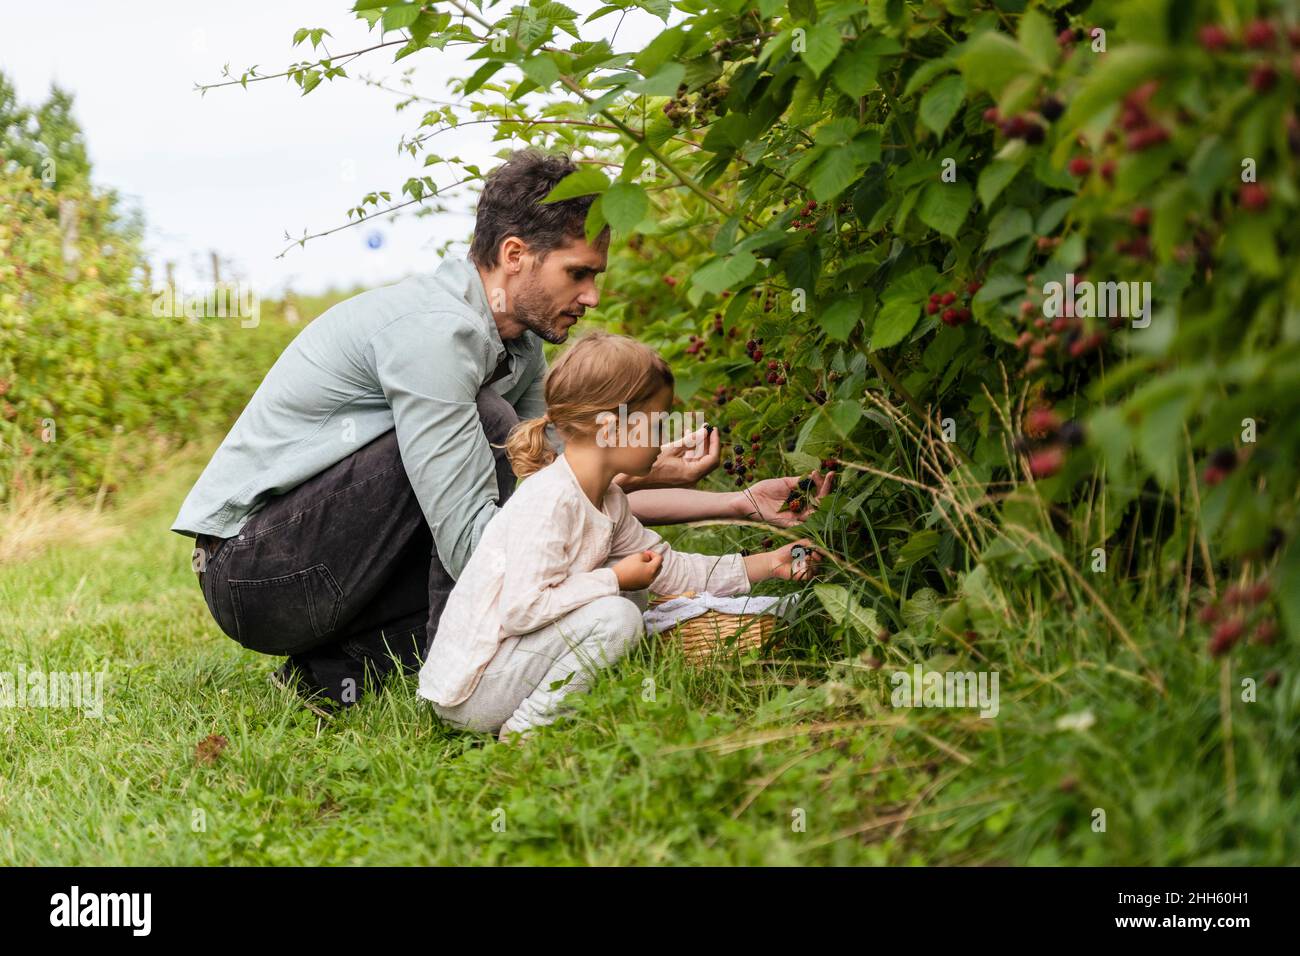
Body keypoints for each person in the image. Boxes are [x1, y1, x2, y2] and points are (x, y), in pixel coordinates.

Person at [172, 148, 833, 712]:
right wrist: (621, 583)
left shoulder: (516, 349)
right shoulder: (436, 337)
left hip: (323, 571)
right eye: (579, 273)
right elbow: (483, 550)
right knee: (490, 438)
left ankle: (333, 674)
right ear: (515, 254)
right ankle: (459, 677)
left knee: (503, 456)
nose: (593, 296)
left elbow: (559, 493)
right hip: (253, 574)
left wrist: (734, 502)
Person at [419, 332, 821, 741]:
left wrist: (771, 563)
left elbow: (670, 569)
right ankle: (527, 733)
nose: (664, 438)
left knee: (631, 590)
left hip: (509, 667)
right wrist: (614, 580)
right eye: (657, 424)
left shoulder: (607, 500)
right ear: (612, 428)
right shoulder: (551, 500)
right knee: (618, 611)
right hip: (470, 693)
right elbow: (522, 609)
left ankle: (561, 704)